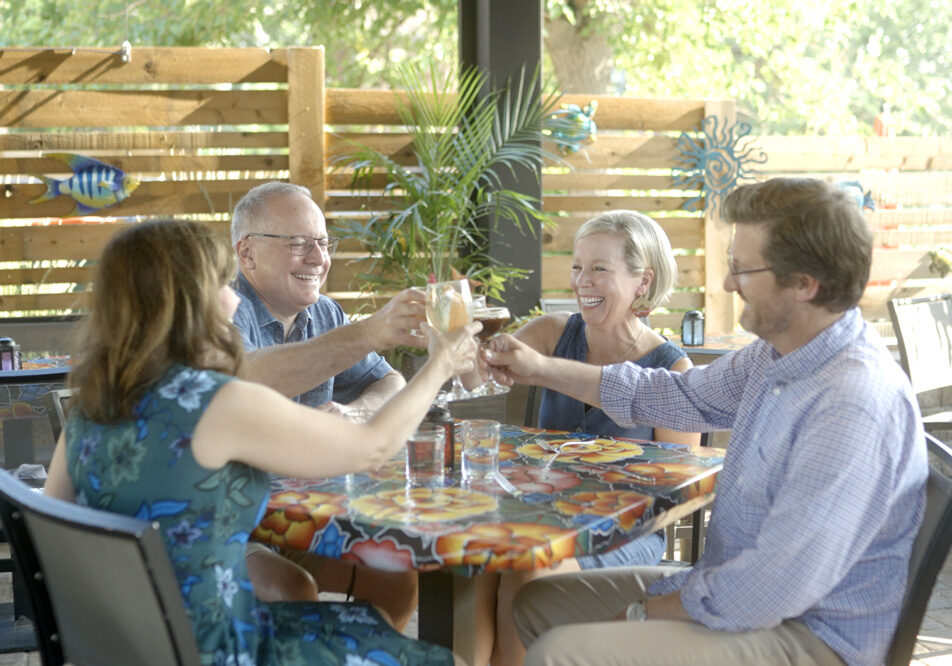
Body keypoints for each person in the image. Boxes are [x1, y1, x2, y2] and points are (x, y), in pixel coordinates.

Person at [484, 177, 927, 666]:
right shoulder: (775, 356)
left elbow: (769, 587)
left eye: (742, 269)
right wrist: (542, 368)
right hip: (745, 593)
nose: (726, 284)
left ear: (805, 284)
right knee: (537, 604)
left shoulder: (851, 402)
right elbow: (671, 395)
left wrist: (642, 614)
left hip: (810, 638)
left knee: (559, 652)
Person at [44, 219, 478, 665]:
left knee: (366, 609)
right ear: (190, 300)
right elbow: (372, 446)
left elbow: (55, 530)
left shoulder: (90, 409)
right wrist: (440, 364)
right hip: (226, 648)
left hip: (134, 647)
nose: (233, 299)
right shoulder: (217, 403)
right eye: (221, 284)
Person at [469, 210, 699, 666]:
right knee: (480, 559)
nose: (582, 281)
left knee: (527, 567)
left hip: (625, 533)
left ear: (642, 281)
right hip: (540, 515)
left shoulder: (671, 370)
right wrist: (463, 346)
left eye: (599, 269)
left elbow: (677, 493)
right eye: (577, 266)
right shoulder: (555, 334)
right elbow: (478, 375)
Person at [230, 181, 425, 627]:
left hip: (309, 520)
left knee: (394, 575)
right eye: (299, 244)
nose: (318, 259)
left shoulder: (326, 314)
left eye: (322, 242)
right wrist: (371, 332)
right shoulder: (221, 313)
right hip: (238, 525)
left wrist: (355, 413)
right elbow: (243, 376)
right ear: (247, 254)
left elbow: (390, 380)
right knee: (293, 590)